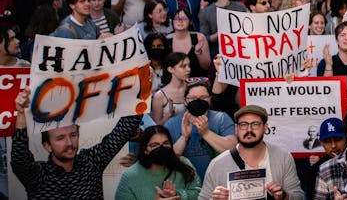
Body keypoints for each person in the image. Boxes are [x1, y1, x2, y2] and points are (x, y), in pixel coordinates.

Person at [10, 87, 143, 198]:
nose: (69, 142)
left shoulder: (91, 162)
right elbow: (19, 159)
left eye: (73, 135)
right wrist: (21, 114)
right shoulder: (38, 175)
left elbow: (123, 131)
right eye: (60, 138)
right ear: (47, 146)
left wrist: (142, 91)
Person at [200, 104, 303, 200]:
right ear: (236, 128)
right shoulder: (217, 164)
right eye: (243, 124)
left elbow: (298, 196)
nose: (249, 130)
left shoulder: (283, 157)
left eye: (255, 124)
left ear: (265, 127)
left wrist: (284, 196)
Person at [165, 81, 237, 181]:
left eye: (203, 97)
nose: (198, 100)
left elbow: (233, 149)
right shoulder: (171, 124)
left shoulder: (221, 118)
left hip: (218, 181)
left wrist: (206, 133)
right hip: (186, 183)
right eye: (193, 98)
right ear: (185, 101)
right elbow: (167, 159)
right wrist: (184, 137)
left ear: (210, 99)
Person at [115, 125, 201, 199]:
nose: (161, 148)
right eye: (154, 145)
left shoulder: (184, 164)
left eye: (166, 143)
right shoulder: (131, 176)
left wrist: (177, 195)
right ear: (145, 150)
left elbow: (199, 194)